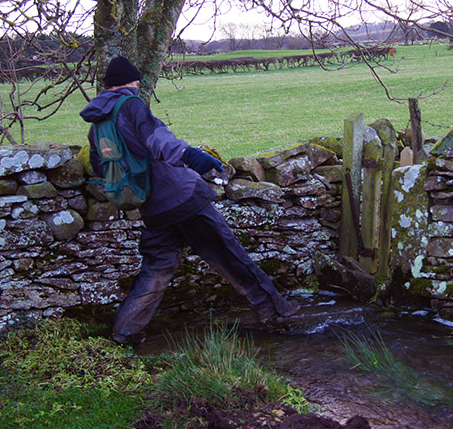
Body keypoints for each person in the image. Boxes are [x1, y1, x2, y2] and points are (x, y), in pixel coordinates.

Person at [80, 56, 300, 345]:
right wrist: (189, 155)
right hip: (183, 198)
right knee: (230, 255)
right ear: (128, 81)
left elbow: (99, 166)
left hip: (153, 209)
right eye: (136, 81)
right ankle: (276, 311)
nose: (138, 85)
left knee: (156, 272)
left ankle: (125, 332)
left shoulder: (97, 124)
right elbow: (157, 138)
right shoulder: (131, 105)